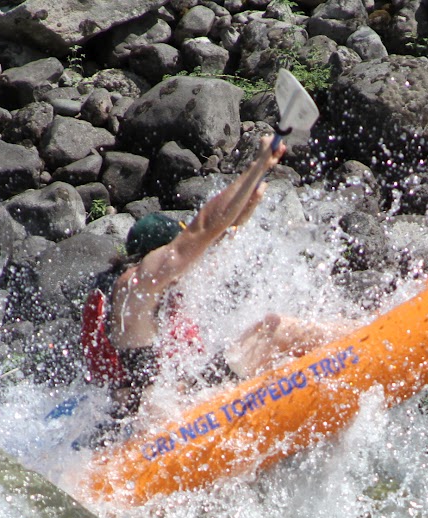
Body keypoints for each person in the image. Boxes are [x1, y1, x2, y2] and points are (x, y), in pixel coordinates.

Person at [80, 135, 340, 418]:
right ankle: (370, 343)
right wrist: (258, 165)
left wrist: (250, 198)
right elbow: (204, 228)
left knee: (269, 331)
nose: (190, 259)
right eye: (180, 247)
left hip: (172, 401)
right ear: (156, 253)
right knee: (275, 332)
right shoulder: (140, 281)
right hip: (154, 420)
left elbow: (218, 234)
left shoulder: (144, 289)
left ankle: (359, 336)